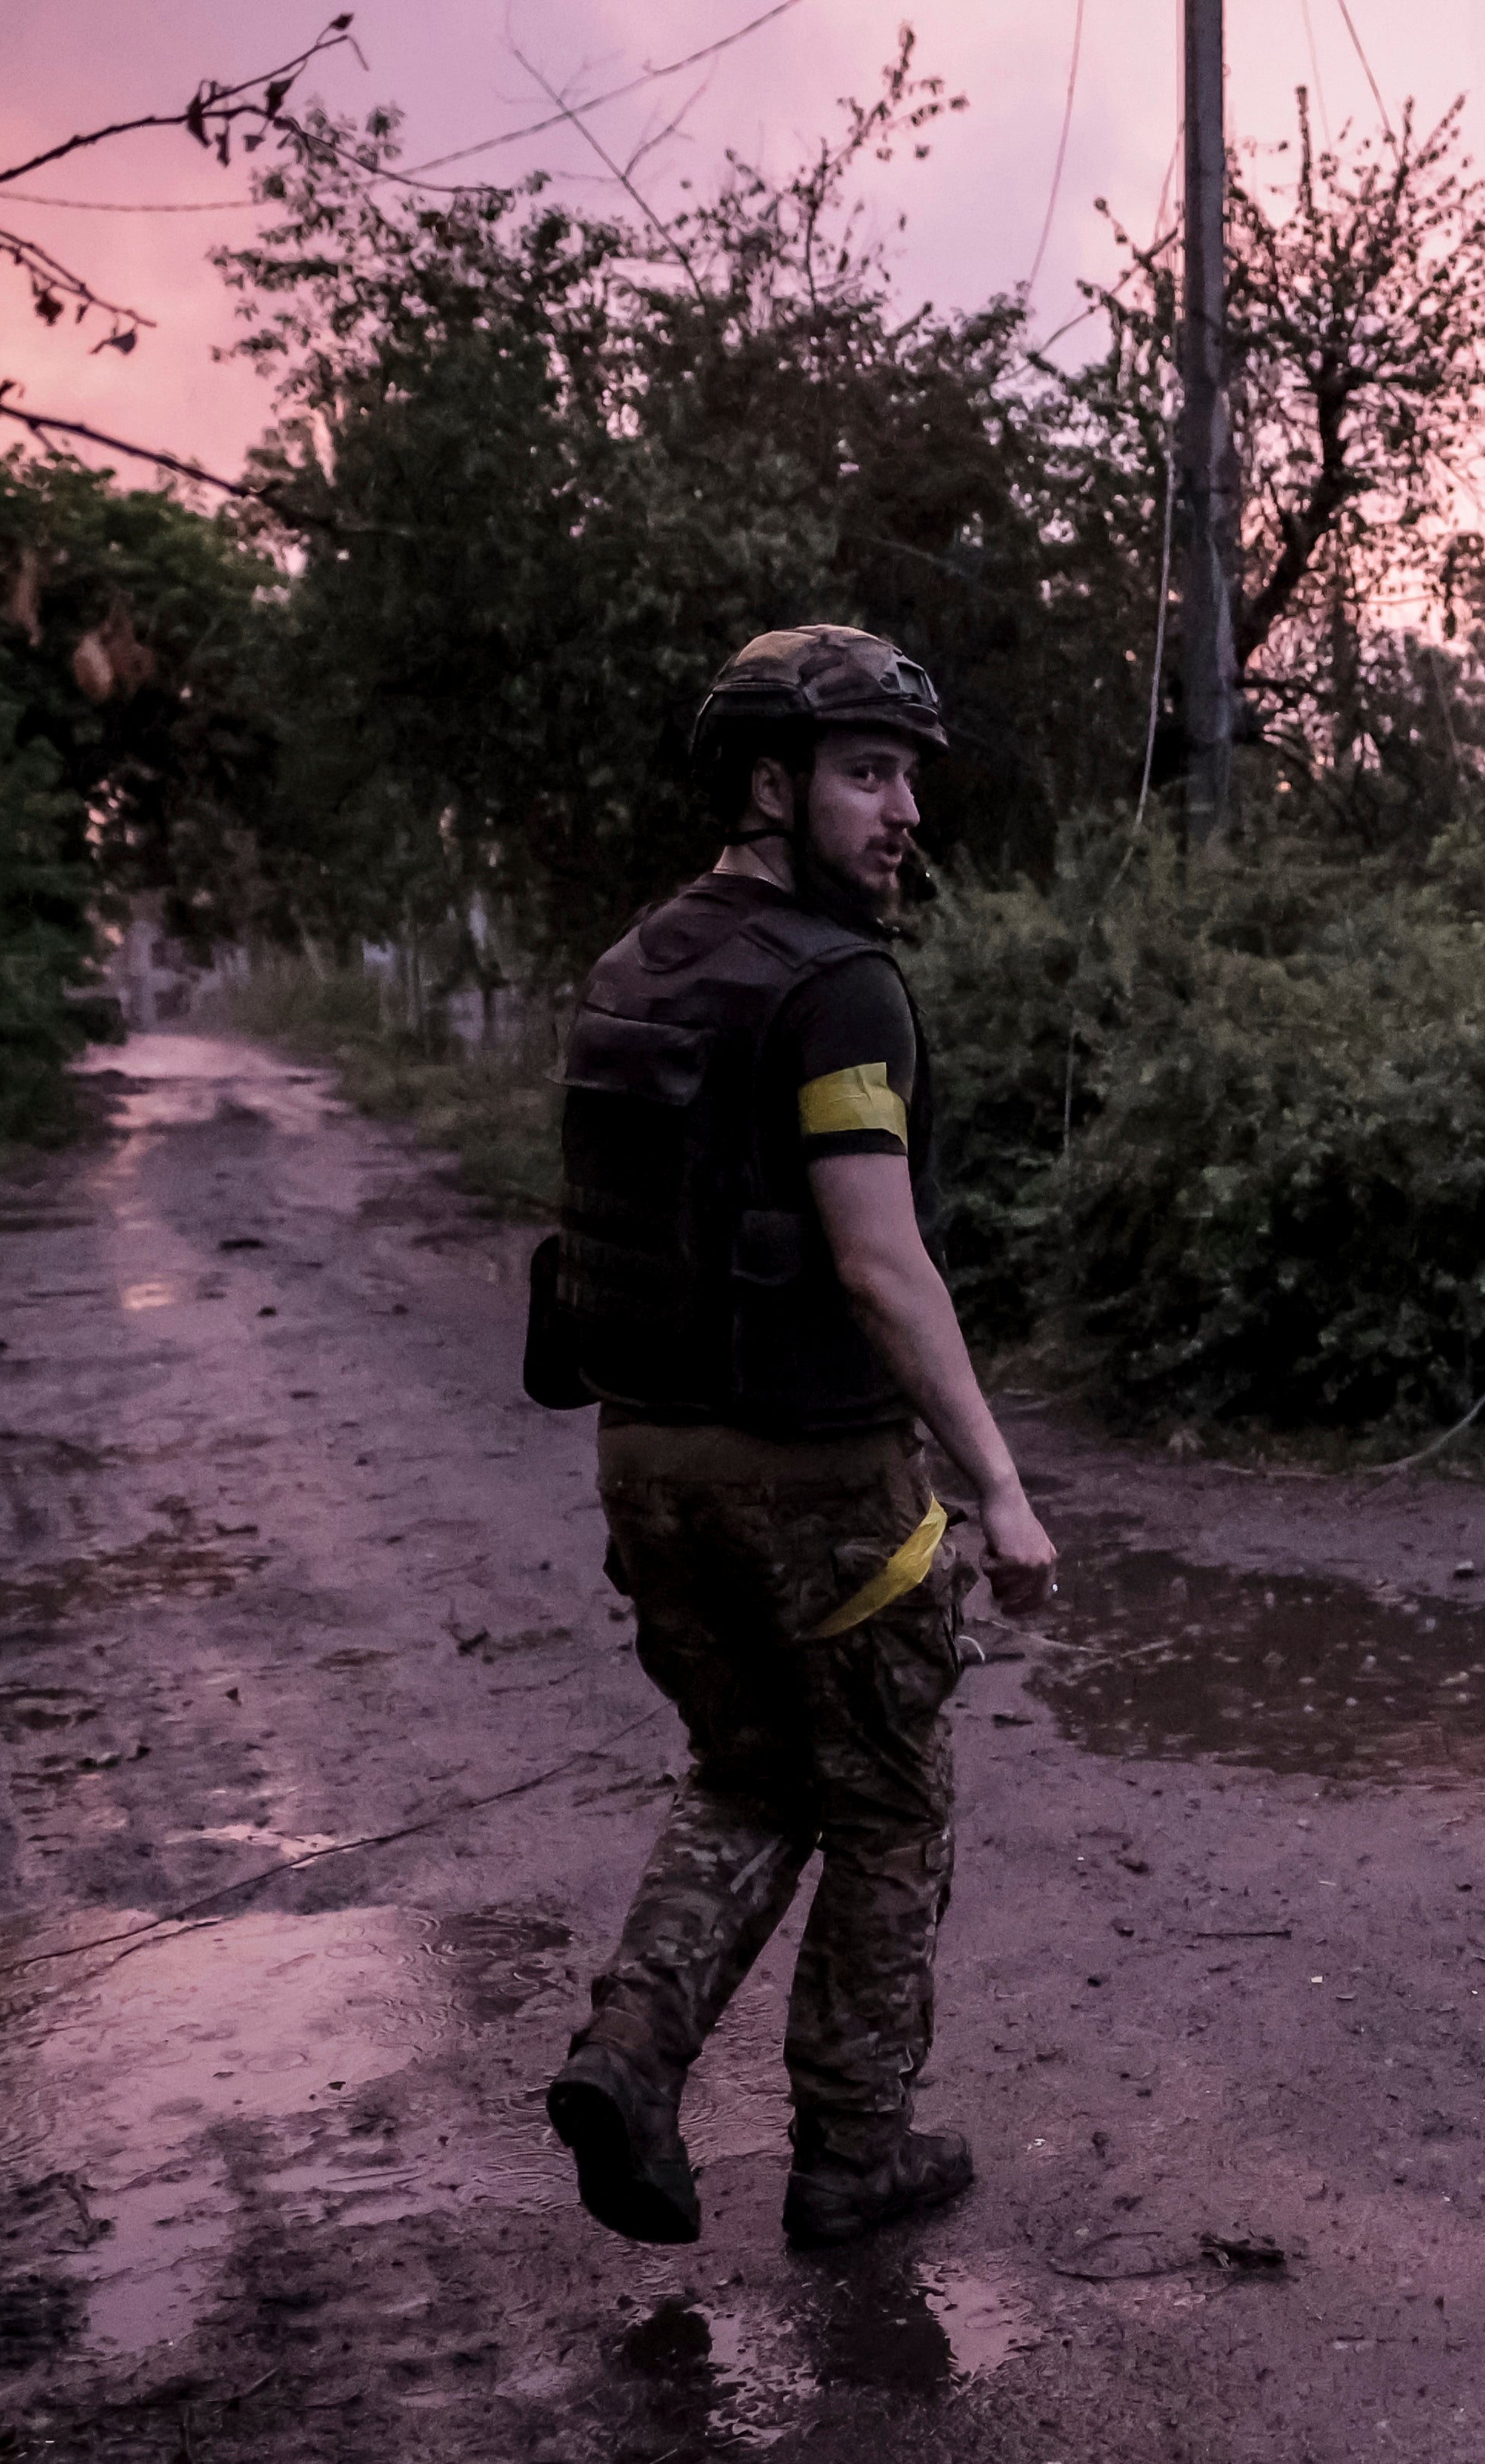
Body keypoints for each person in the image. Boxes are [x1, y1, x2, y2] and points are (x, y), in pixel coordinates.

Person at [524, 623, 1057, 2252]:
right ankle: (853, 2146)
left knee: (750, 1771)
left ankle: (631, 2050)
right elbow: (880, 1262)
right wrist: (1006, 1492)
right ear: (772, 783)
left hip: (648, 1467)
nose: (905, 811)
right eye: (867, 772)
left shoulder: (637, 965)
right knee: (889, 1802)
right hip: (815, 1480)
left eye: (909, 775)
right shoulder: (839, 991)